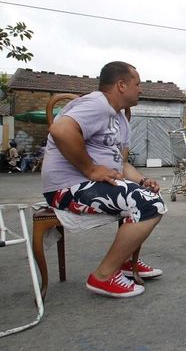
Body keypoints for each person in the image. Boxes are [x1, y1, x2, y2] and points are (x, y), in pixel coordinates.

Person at [42, 61, 166, 298]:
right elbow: (60, 131)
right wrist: (90, 169)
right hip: (67, 187)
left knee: (148, 194)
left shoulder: (119, 118)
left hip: (92, 184)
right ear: (121, 85)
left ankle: (126, 263)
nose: (141, 89)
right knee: (148, 204)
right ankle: (103, 276)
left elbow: (121, 163)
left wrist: (142, 180)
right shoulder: (96, 103)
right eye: (137, 84)